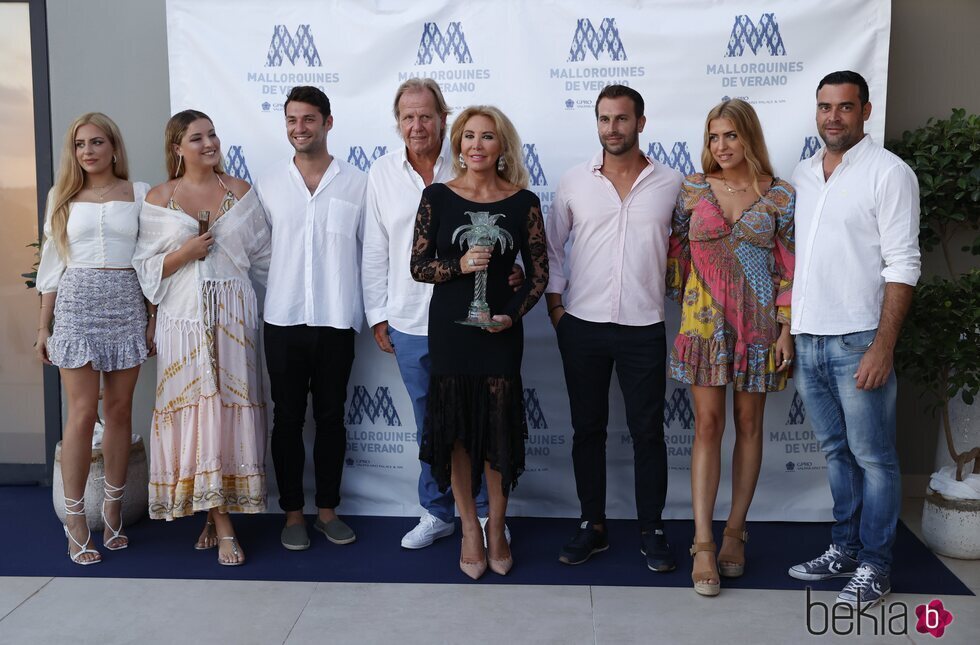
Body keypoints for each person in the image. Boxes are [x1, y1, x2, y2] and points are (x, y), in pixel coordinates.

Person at [362, 79, 520, 549]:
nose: (417, 125)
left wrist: (511, 276)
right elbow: (375, 251)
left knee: (483, 419)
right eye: (408, 117)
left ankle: (491, 517)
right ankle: (438, 512)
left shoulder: (471, 159)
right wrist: (377, 314)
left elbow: (509, 233)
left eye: (426, 116)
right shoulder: (382, 174)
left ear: (443, 117)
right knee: (432, 424)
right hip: (410, 319)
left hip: (468, 322)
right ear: (398, 122)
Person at [787, 71, 920, 608]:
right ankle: (843, 549)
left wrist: (883, 345)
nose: (833, 117)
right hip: (808, 338)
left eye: (845, 107)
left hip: (859, 339)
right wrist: (790, 332)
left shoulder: (889, 174)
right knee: (837, 453)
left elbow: (904, 263)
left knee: (876, 458)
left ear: (866, 111)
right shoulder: (803, 173)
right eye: (825, 107)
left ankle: (876, 565)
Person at [546, 85, 682, 572]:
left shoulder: (672, 184)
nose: (612, 129)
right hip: (582, 324)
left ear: (640, 122)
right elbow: (555, 248)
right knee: (588, 429)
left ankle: (653, 527)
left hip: (645, 326)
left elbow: (684, 251)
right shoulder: (573, 182)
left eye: (622, 119)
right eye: (604, 119)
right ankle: (592, 525)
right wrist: (557, 308)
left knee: (649, 431)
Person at [410, 105, 547, 579]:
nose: (476, 145)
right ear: (458, 144)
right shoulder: (437, 197)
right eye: (468, 136)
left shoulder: (524, 201)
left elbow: (538, 275)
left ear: (501, 146)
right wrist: (460, 266)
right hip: (450, 331)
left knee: (496, 431)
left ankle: (497, 526)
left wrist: (511, 315)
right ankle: (469, 526)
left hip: (500, 336)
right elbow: (419, 266)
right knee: (458, 433)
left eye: (487, 137)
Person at [666, 99, 796, 596]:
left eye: (730, 137)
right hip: (704, 329)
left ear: (749, 139)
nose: (720, 147)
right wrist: (690, 302)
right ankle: (702, 541)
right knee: (708, 425)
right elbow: (676, 247)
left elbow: (789, 266)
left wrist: (784, 327)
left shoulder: (781, 196)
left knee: (748, 425)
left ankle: (735, 533)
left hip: (759, 330)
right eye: (713, 137)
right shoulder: (693, 189)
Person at [135, 109, 272, 566]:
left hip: (233, 317)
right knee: (197, 410)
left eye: (213, 134)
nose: (209, 143)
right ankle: (223, 520)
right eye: (197, 138)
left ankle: (215, 514)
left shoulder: (240, 192)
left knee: (228, 409)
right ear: (177, 147)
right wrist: (184, 253)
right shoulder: (158, 198)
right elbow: (145, 269)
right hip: (183, 320)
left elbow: (263, 258)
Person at [35, 113, 151, 564]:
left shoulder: (138, 193)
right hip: (77, 302)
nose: (88, 151)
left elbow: (148, 256)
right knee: (82, 414)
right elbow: (51, 266)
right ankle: (76, 519)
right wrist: (43, 326)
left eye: (97, 142)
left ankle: (114, 508)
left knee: (119, 411)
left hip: (125, 301)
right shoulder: (61, 197)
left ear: (113, 147)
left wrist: (152, 316)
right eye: (80, 144)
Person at [255, 86, 365, 550]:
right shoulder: (267, 183)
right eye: (291, 120)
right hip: (282, 317)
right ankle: (293, 514)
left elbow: (370, 252)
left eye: (308, 119)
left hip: (337, 319)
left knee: (332, 418)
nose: (299, 128)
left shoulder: (358, 183)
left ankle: (327, 510)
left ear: (328, 122)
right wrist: (283, 281)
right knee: (286, 420)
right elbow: (258, 252)